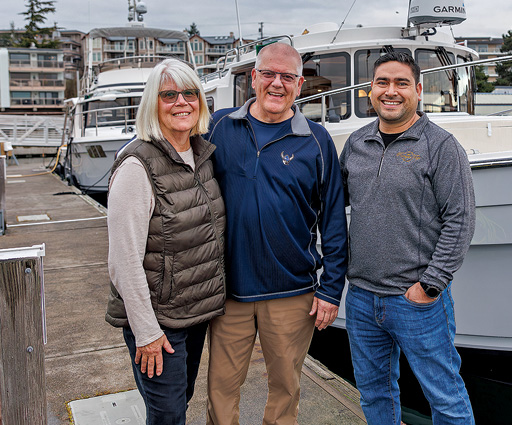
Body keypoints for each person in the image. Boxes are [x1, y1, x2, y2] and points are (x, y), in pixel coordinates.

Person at [205, 42, 347, 425]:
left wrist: (331, 289)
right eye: (268, 73)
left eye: (287, 76)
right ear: (254, 78)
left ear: (300, 85)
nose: (277, 83)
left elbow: (334, 221)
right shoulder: (220, 126)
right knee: (220, 390)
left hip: (292, 292)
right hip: (229, 291)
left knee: (285, 391)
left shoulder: (316, 141)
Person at [339, 51, 476, 424]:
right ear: (370, 91)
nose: (391, 91)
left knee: (445, 398)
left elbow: (460, 220)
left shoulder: (441, 146)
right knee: (374, 395)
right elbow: (333, 206)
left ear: (417, 90)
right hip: (363, 300)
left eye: (401, 83)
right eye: (382, 82)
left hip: (417, 301)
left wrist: (429, 286)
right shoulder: (356, 144)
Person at [105, 58, 226, 425]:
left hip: (194, 313)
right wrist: (146, 332)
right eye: (168, 95)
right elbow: (123, 262)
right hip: (158, 322)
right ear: (151, 105)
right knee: (167, 415)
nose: (181, 102)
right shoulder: (136, 166)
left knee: (180, 402)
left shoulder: (201, 154)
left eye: (190, 93)